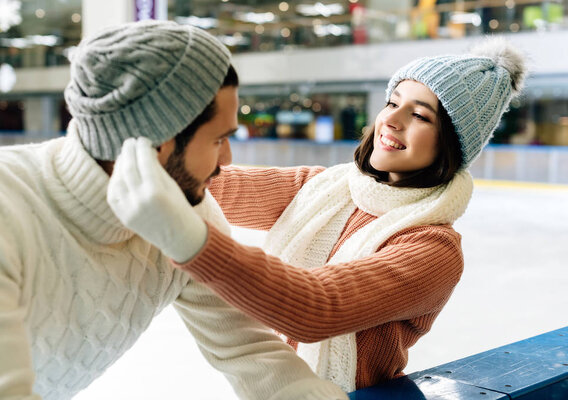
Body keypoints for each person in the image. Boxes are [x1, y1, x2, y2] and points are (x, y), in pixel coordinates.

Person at [107, 37, 527, 392]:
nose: (391, 120)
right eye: (392, 102)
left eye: (419, 115)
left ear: (452, 144)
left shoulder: (431, 249)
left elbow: (317, 308)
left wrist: (189, 241)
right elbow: (215, 182)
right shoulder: (322, 187)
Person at [0, 21, 349, 400]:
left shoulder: (179, 213)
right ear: (156, 145)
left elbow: (252, 352)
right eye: (219, 140)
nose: (228, 160)